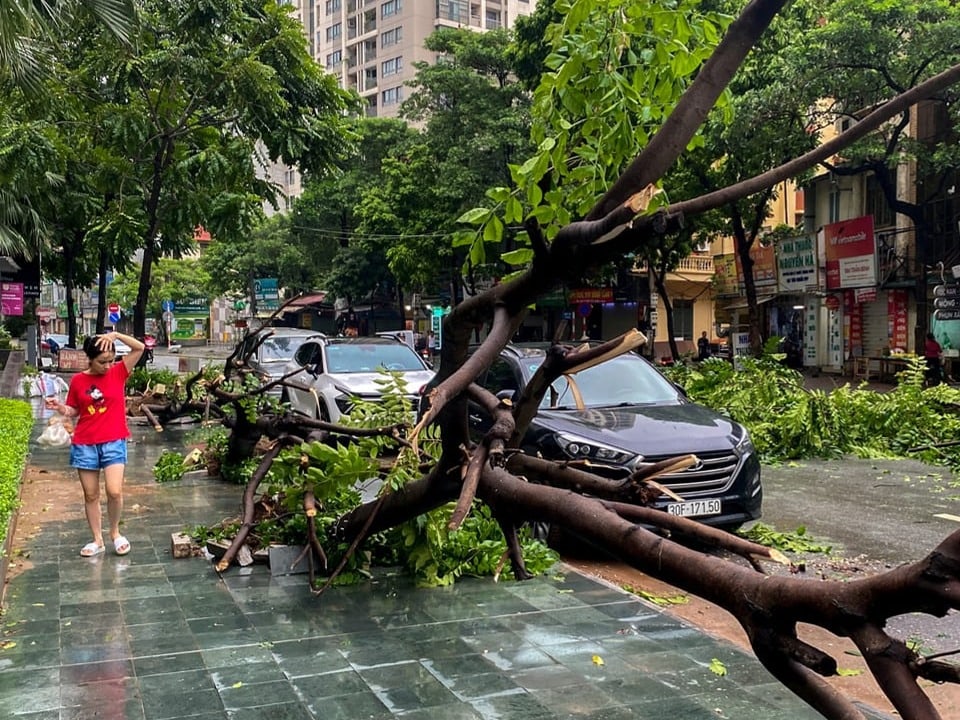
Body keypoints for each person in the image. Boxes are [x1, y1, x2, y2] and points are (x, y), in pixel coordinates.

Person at [45, 331, 145, 557]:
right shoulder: (79, 380)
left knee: (114, 491)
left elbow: (139, 348)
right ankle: (97, 539)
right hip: (85, 442)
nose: (108, 366)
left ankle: (115, 533)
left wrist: (116, 334)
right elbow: (74, 410)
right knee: (90, 494)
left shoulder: (119, 371)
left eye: (111, 360)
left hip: (114, 440)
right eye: (102, 362)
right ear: (89, 359)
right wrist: (60, 408)